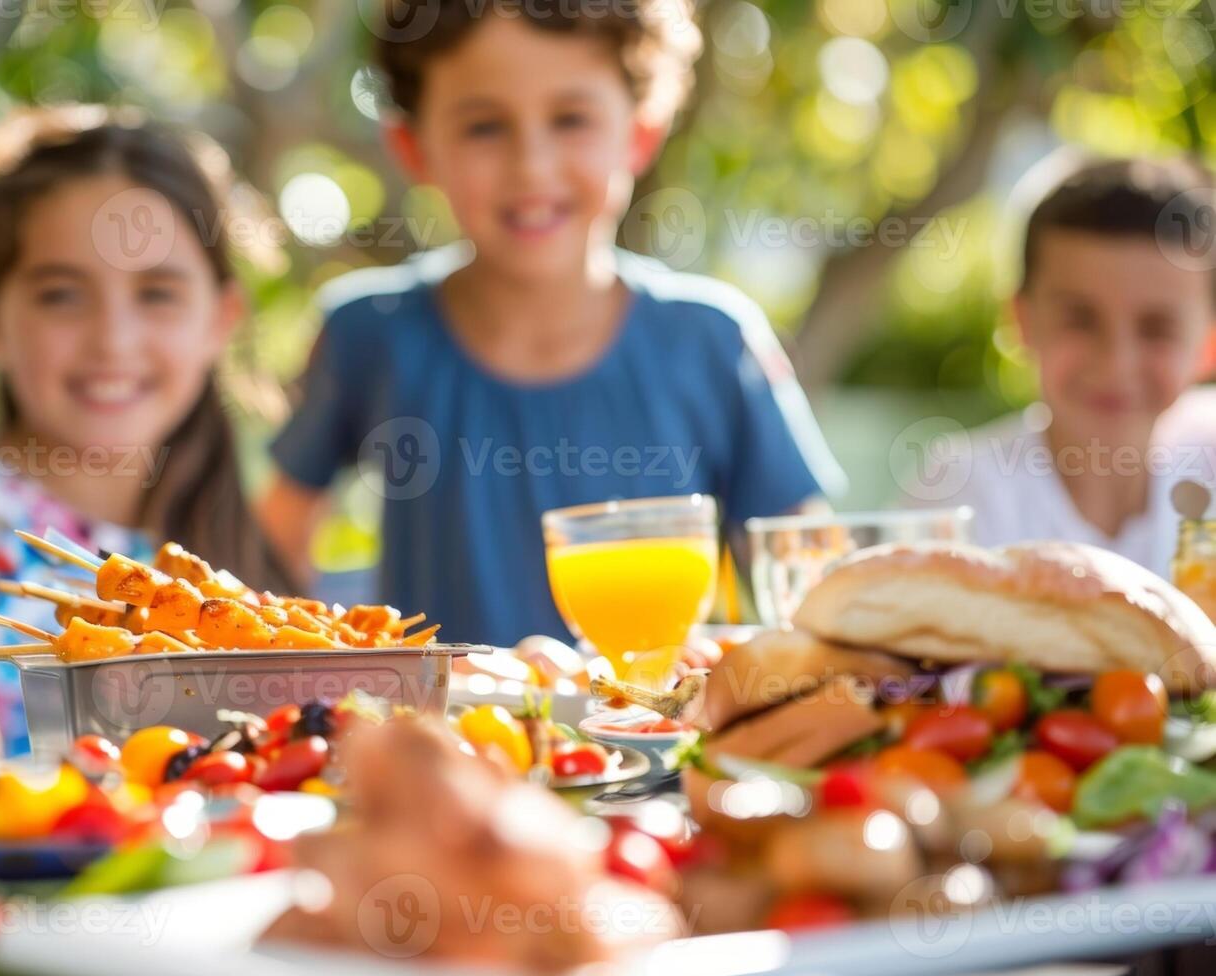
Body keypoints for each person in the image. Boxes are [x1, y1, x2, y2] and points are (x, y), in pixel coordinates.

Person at [258, 0, 842, 647]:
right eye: (483, 127)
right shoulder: (365, 335)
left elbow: (813, 581)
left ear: (640, 132)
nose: (531, 167)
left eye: (571, 119)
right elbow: (268, 552)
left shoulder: (711, 340)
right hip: (438, 741)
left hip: (651, 739)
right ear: (412, 147)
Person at [0, 106, 295, 754]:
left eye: (157, 294)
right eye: (62, 295)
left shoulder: (223, 544)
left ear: (221, 319)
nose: (113, 339)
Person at [903, 156, 1216, 575]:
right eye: (1080, 319)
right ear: (1022, 320)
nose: (1116, 364)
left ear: (1208, 343)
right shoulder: (959, 496)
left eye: (1157, 329)